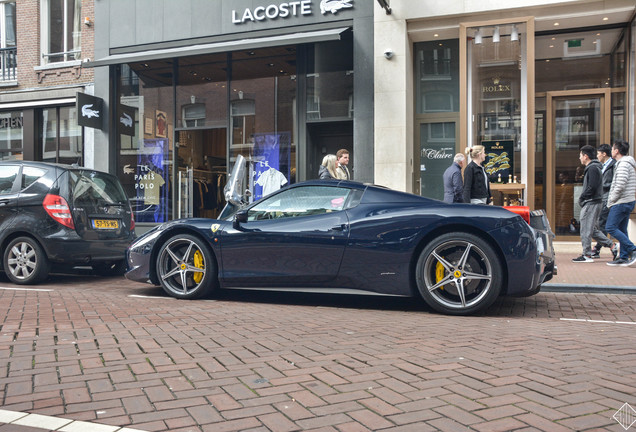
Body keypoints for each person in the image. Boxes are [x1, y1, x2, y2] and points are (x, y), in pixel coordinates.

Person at [572, 145, 614, 262]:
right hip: (594, 202)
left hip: (591, 202)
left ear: (585, 156)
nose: (579, 158)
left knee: (585, 228)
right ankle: (612, 246)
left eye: (580, 155)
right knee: (592, 230)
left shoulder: (592, 168)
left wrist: (582, 198)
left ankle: (587, 255)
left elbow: (592, 186)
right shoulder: (594, 167)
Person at [605, 140, 636, 266]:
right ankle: (623, 257)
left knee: (610, 227)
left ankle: (633, 249)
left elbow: (620, 185)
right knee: (622, 229)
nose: (611, 151)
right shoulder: (625, 163)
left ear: (616, 151)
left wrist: (612, 199)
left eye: (612, 149)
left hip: (621, 201)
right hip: (626, 201)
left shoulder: (623, 164)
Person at [591, 143, 618, 259]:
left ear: (604, 154)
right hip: (601, 197)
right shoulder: (602, 166)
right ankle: (601, 247)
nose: (597, 156)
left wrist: (601, 185)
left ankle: (598, 248)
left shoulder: (613, 165)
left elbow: (614, 182)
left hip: (607, 198)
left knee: (601, 224)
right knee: (600, 223)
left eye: (598, 153)